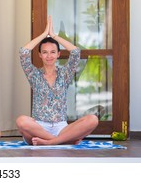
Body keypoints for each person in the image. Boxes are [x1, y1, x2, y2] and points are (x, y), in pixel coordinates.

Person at [16, 16, 98, 145]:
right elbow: (24, 52)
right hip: (39, 128)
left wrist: (54, 36)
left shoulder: (64, 74)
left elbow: (76, 52)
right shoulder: (34, 74)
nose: (49, 56)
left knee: (93, 119)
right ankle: (59, 141)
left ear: (58, 54)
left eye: (53, 52)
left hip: (61, 128)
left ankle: (50, 142)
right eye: (45, 52)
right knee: (21, 121)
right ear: (40, 55)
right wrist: (44, 35)